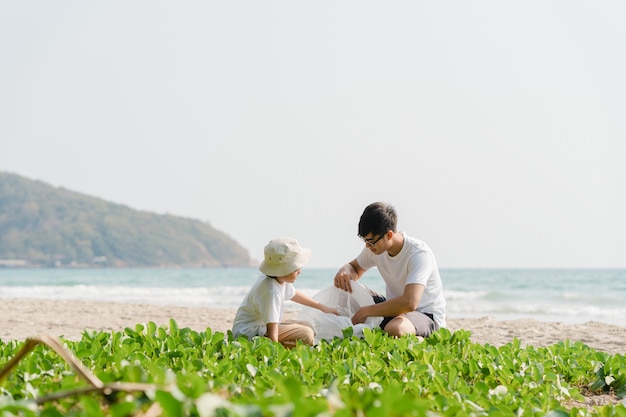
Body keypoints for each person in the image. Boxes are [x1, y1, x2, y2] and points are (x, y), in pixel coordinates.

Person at [334, 202, 446, 338]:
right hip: (395, 313)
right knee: (347, 292)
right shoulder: (375, 248)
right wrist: (344, 271)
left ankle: (420, 340)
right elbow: (355, 268)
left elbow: (410, 302)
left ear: (389, 235)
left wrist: (366, 311)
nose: (368, 246)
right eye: (365, 241)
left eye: (371, 241)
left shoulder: (418, 253)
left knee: (395, 329)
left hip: (424, 315)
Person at [232, 237, 339, 348]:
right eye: (295, 269)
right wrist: (274, 351)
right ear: (283, 271)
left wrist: (322, 307)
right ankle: (281, 348)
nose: (299, 271)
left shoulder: (277, 279)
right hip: (248, 333)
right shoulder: (271, 291)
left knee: (308, 326)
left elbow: (294, 294)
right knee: (306, 334)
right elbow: (271, 329)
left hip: (260, 326)